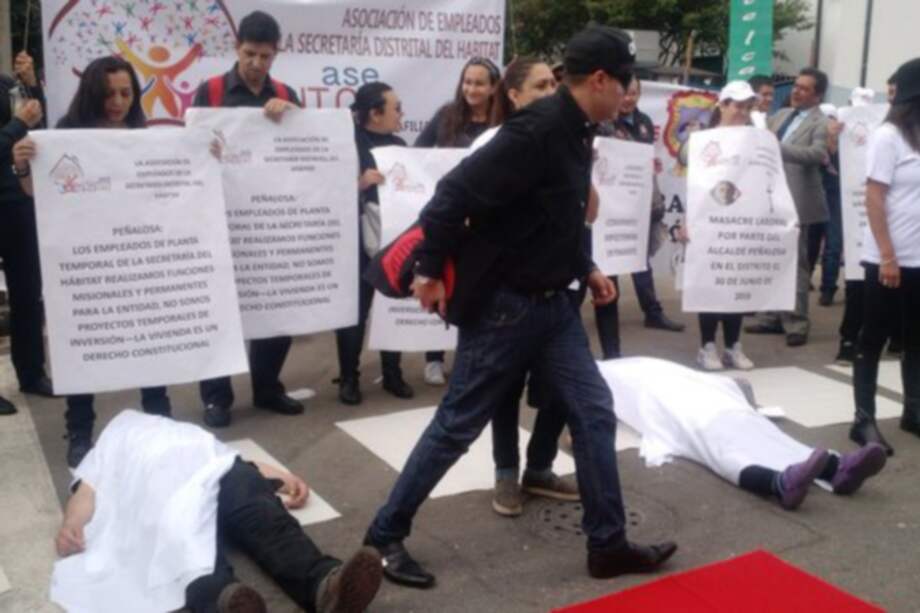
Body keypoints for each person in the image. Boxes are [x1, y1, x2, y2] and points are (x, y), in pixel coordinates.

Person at [362, 27, 677, 589]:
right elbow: (451, 195)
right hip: (506, 309)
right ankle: (384, 535)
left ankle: (606, 545)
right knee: (457, 426)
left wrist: (587, 270)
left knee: (594, 411)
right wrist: (430, 271)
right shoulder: (537, 130)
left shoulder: (579, 130)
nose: (629, 95)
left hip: (555, 307)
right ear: (600, 80)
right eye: (625, 83)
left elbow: (555, 219)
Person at [51, 410, 382, 613]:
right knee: (187, 544)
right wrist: (71, 525)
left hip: (213, 470)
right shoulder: (111, 446)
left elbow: (228, 458)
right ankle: (223, 602)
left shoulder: (182, 433)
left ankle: (326, 585)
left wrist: (282, 478)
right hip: (160, 487)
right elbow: (86, 493)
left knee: (261, 513)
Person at [12, 56, 175, 468]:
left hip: (136, 260)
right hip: (87, 265)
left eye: (125, 93)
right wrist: (22, 163)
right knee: (84, 349)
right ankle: (80, 431)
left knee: (147, 341)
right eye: (108, 94)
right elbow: (34, 191)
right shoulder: (66, 134)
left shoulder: (144, 135)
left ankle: (159, 419)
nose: (117, 102)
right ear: (91, 94)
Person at [470, 57, 579, 517]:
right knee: (505, 388)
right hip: (509, 293)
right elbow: (467, 213)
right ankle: (505, 475)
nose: (552, 92)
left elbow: (583, 213)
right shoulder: (492, 143)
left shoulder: (569, 140)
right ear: (513, 95)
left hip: (561, 285)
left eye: (555, 84)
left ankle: (540, 467)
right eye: (540, 85)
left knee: (564, 385)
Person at [189, 11, 305, 428]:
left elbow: (305, 153)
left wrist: (291, 114)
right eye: (250, 53)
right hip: (220, 216)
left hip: (272, 220)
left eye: (265, 56)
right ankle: (216, 398)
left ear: (277, 53)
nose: (257, 63)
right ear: (236, 47)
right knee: (218, 308)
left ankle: (268, 387)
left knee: (277, 303)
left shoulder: (287, 93)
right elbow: (191, 149)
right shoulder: (212, 91)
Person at [597, 357, 887, 510]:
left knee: (764, 434)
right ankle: (778, 483)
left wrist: (735, 393)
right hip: (678, 414)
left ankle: (836, 468)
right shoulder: (600, 377)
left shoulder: (616, 367)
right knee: (722, 448)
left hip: (710, 399)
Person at [414, 56, 501, 386]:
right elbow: (417, 154)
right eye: (467, 82)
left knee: (474, 289)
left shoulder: (503, 120)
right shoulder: (447, 116)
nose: (472, 89)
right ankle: (433, 358)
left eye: (479, 83)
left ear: (494, 87)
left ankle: (470, 358)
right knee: (441, 280)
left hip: (484, 221)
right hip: (451, 217)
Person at [849, 57, 920, 456]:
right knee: (873, 337)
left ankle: (913, 411)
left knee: (917, 339)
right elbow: (875, 195)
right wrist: (889, 256)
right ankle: (864, 420)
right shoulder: (888, 137)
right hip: (889, 259)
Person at [335, 82, 414, 405]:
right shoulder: (346, 143)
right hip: (354, 243)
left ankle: (392, 373)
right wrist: (360, 183)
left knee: (392, 304)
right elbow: (322, 191)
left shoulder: (399, 144)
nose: (401, 114)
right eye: (396, 108)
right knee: (356, 312)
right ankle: (349, 378)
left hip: (391, 240)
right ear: (374, 113)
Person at [594, 76, 683, 360]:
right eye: (624, 93)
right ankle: (609, 324)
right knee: (610, 264)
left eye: (634, 93)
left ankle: (653, 312)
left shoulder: (644, 121)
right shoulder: (603, 122)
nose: (628, 99)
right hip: (610, 205)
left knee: (641, 261)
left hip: (640, 202)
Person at [678, 81, 759, 371]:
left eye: (748, 107)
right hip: (708, 222)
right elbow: (688, 170)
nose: (742, 112)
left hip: (741, 223)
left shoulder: (756, 139)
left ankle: (734, 345)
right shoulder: (704, 139)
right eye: (737, 105)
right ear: (722, 106)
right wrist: (688, 220)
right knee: (710, 283)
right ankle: (707, 346)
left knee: (735, 283)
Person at [746, 68, 831, 347]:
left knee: (795, 264)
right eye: (796, 86)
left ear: (817, 95)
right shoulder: (780, 116)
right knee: (769, 260)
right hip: (769, 198)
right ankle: (771, 316)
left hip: (797, 202)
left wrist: (777, 148)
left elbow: (818, 154)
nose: (796, 91)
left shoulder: (821, 122)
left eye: (804, 88)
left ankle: (796, 321)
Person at [1, 51, 53, 398]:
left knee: (27, 295)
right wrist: (17, 124)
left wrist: (32, 84)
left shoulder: (8, 85)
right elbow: (18, 128)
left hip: (18, 202)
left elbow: (43, 128)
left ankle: (32, 374)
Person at [813, 103, 844, 307]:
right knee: (809, 246)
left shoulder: (846, 148)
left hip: (835, 198)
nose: (828, 124)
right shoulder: (813, 143)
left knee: (833, 246)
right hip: (813, 196)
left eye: (831, 119)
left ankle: (828, 287)